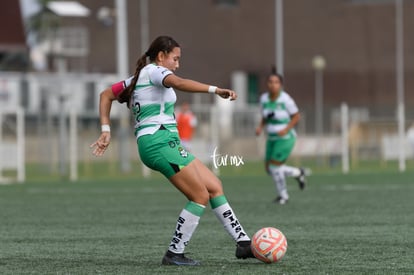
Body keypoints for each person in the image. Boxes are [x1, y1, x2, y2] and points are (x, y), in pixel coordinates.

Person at [90, 36, 254, 266]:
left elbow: (105, 94)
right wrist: (215, 90)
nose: (177, 64)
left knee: (214, 186)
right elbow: (179, 83)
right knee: (199, 196)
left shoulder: (138, 77)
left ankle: (243, 243)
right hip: (158, 142)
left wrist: (106, 129)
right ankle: (174, 253)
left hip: (165, 142)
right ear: (161, 56)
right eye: (175, 59)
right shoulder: (154, 71)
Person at [255, 69, 306, 205]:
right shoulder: (264, 98)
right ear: (267, 84)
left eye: (276, 82)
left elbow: (296, 116)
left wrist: (286, 128)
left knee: (275, 167)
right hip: (271, 138)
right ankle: (297, 173)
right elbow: (265, 116)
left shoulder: (286, 99)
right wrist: (260, 127)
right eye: (270, 82)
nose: (273, 85)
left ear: (281, 85)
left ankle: (283, 196)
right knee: (269, 169)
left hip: (285, 138)